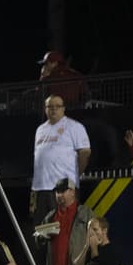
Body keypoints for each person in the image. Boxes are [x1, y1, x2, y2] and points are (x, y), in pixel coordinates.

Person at [30, 95, 91, 238]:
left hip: (63, 190)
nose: (53, 109)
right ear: (45, 109)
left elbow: (85, 152)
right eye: (50, 107)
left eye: (57, 106)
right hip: (42, 190)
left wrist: (76, 174)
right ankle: (47, 260)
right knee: (44, 231)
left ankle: (67, 260)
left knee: (64, 229)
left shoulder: (74, 127)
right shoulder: (40, 130)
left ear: (63, 109)